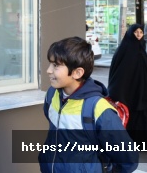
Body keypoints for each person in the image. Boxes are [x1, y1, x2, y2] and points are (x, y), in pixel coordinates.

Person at [39, 37, 138, 173]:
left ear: (77, 72)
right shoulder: (52, 94)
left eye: (55, 65)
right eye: (50, 64)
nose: (48, 70)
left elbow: (127, 157)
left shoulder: (98, 109)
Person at [108, 24, 147, 145]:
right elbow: (118, 74)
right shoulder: (123, 50)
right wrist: (117, 93)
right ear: (130, 33)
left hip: (142, 91)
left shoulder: (141, 49)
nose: (139, 35)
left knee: (146, 114)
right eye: (136, 32)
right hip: (128, 93)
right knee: (131, 116)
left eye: (140, 32)